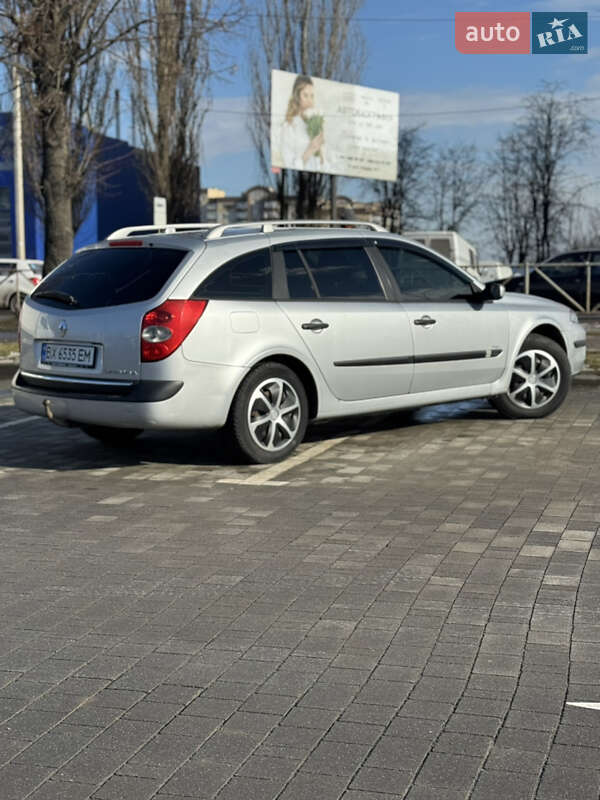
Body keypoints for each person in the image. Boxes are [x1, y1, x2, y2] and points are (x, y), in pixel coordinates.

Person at [279, 75, 328, 172]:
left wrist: (321, 153)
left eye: (312, 96)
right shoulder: (289, 127)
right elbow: (288, 164)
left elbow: (325, 166)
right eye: (305, 95)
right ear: (297, 97)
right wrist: (309, 150)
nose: (310, 101)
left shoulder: (316, 125)